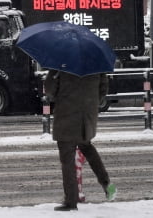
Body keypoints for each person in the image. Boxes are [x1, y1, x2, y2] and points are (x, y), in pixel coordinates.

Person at [44, 70, 117, 211]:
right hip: (87, 115)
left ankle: (71, 201)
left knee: (67, 158)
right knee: (87, 147)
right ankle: (107, 185)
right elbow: (103, 88)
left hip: (67, 114)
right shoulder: (95, 63)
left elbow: (50, 90)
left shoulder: (61, 62)